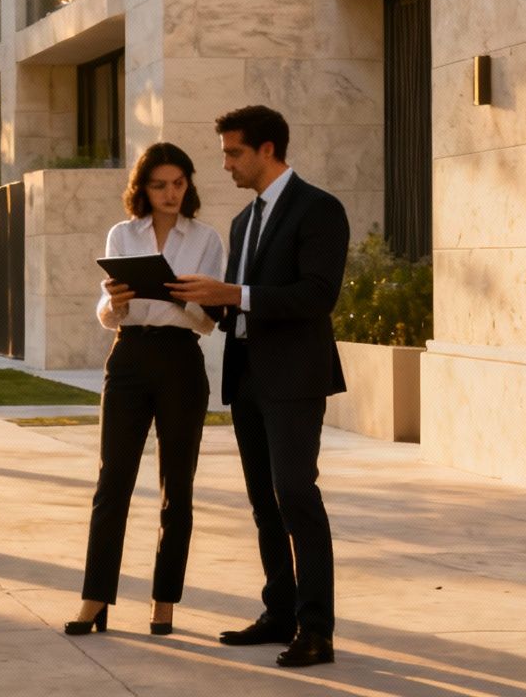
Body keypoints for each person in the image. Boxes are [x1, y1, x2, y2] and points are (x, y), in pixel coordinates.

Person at [168, 105, 350, 669]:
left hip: (295, 379)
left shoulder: (320, 209)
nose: (224, 164)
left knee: (297, 495)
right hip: (246, 375)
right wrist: (204, 301)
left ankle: (317, 630)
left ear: (267, 149)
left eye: (233, 152)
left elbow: (317, 296)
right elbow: (239, 305)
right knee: (264, 503)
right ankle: (280, 612)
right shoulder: (245, 222)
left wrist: (233, 295)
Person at [65, 142, 223, 638]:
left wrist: (188, 299)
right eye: (161, 184)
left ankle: (164, 602)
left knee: (178, 488)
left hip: (180, 360)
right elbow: (108, 315)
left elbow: (209, 324)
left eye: (179, 183)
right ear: (143, 188)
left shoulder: (206, 239)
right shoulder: (122, 234)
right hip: (129, 356)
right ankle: (95, 599)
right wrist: (115, 301)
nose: (172, 193)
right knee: (112, 483)